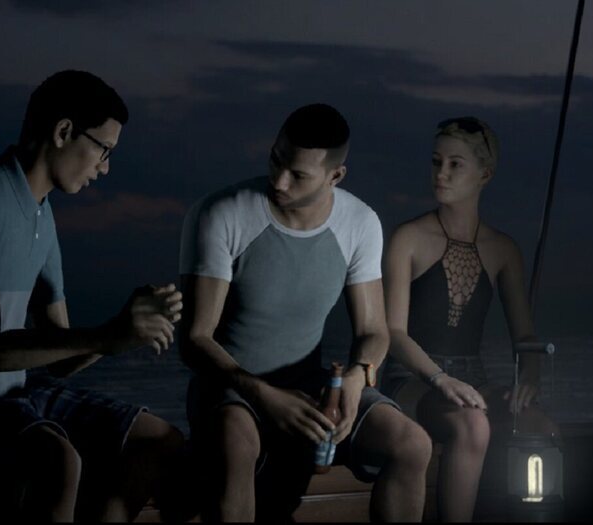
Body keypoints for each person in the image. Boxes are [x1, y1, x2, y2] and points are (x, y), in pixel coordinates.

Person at [0, 70, 186, 522]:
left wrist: (126, 334)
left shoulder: (43, 218)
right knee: (58, 461)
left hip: (17, 393)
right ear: (63, 131)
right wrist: (108, 335)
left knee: (159, 441)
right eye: (104, 149)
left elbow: (61, 358)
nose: (105, 167)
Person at [178, 103, 432, 522]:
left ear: (336, 176)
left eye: (298, 175)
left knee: (412, 443)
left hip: (311, 388)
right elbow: (194, 340)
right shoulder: (221, 213)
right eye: (276, 160)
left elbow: (374, 331)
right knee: (234, 444)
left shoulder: (360, 222)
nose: (279, 181)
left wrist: (358, 378)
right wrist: (265, 395)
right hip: (231, 389)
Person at [379, 116, 559, 522]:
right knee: (474, 425)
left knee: (540, 425)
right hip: (412, 381)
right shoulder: (408, 238)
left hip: (474, 381)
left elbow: (525, 336)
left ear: (485, 174)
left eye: (455, 164)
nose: (441, 173)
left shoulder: (503, 249)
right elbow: (393, 332)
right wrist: (440, 379)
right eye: (436, 161)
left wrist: (529, 378)